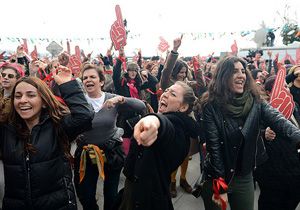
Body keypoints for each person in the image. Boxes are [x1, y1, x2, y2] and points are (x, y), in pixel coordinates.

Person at [199, 56, 300, 210]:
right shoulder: (211, 105)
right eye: (234, 72)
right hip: (217, 177)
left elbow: (280, 122)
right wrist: (220, 187)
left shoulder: (255, 101)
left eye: (243, 71)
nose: (241, 75)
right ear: (223, 77)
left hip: (244, 177)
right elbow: (214, 150)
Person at [0, 66, 94, 210]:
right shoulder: (6, 130)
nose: (23, 100)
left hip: (58, 205)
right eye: (18, 96)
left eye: (30, 95)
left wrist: (67, 84)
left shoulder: (58, 126)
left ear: (44, 102)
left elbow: (84, 116)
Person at [73, 63, 146, 210]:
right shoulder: (78, 102)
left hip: (112, 152)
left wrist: (120, 99)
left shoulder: (111, 98)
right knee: (86, 196)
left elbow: (141, 106)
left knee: (111, 195)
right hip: (86, 154)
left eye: (92, 77)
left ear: (101, 81)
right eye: (85, 77)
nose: (88, 80)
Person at [118, 81, 199, 210]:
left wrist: (154, 120)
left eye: (173, 94)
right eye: (166, 90)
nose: (166, 94)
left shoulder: (178, 130)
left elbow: (166, 125)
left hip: (147, 200)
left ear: (183, 107)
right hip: (133, 192)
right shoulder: (168, 118)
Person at [254, 75, 300, 210]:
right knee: (271, 203)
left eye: (287, 86)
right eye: (282, 87)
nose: (287, 89)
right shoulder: (261, 109)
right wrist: (263, 133)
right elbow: (249, 132)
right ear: (269, 92)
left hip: (294, 168)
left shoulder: (294, 106)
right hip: (272, 171)